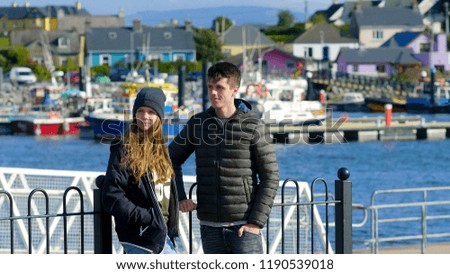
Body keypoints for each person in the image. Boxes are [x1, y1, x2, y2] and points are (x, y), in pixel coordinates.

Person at [169, 61, 279, 254]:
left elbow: (270, 177)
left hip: (244, 228)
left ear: (234, 89)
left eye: (219, 87)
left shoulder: (253, 126)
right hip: (209, 227)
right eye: (210, 87)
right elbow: (170, 158)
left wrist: (255, 223)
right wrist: (180, 197)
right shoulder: (198, 124)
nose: (213, 93)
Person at [102, 87, 179, 254]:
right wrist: (147, 218)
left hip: (164, 238)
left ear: (159, 116)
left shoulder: (161, 149)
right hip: (141, 240)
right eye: (141, 111)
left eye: (151, 112)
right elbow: (112, 196)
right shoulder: (124, 147)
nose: (145, 116)